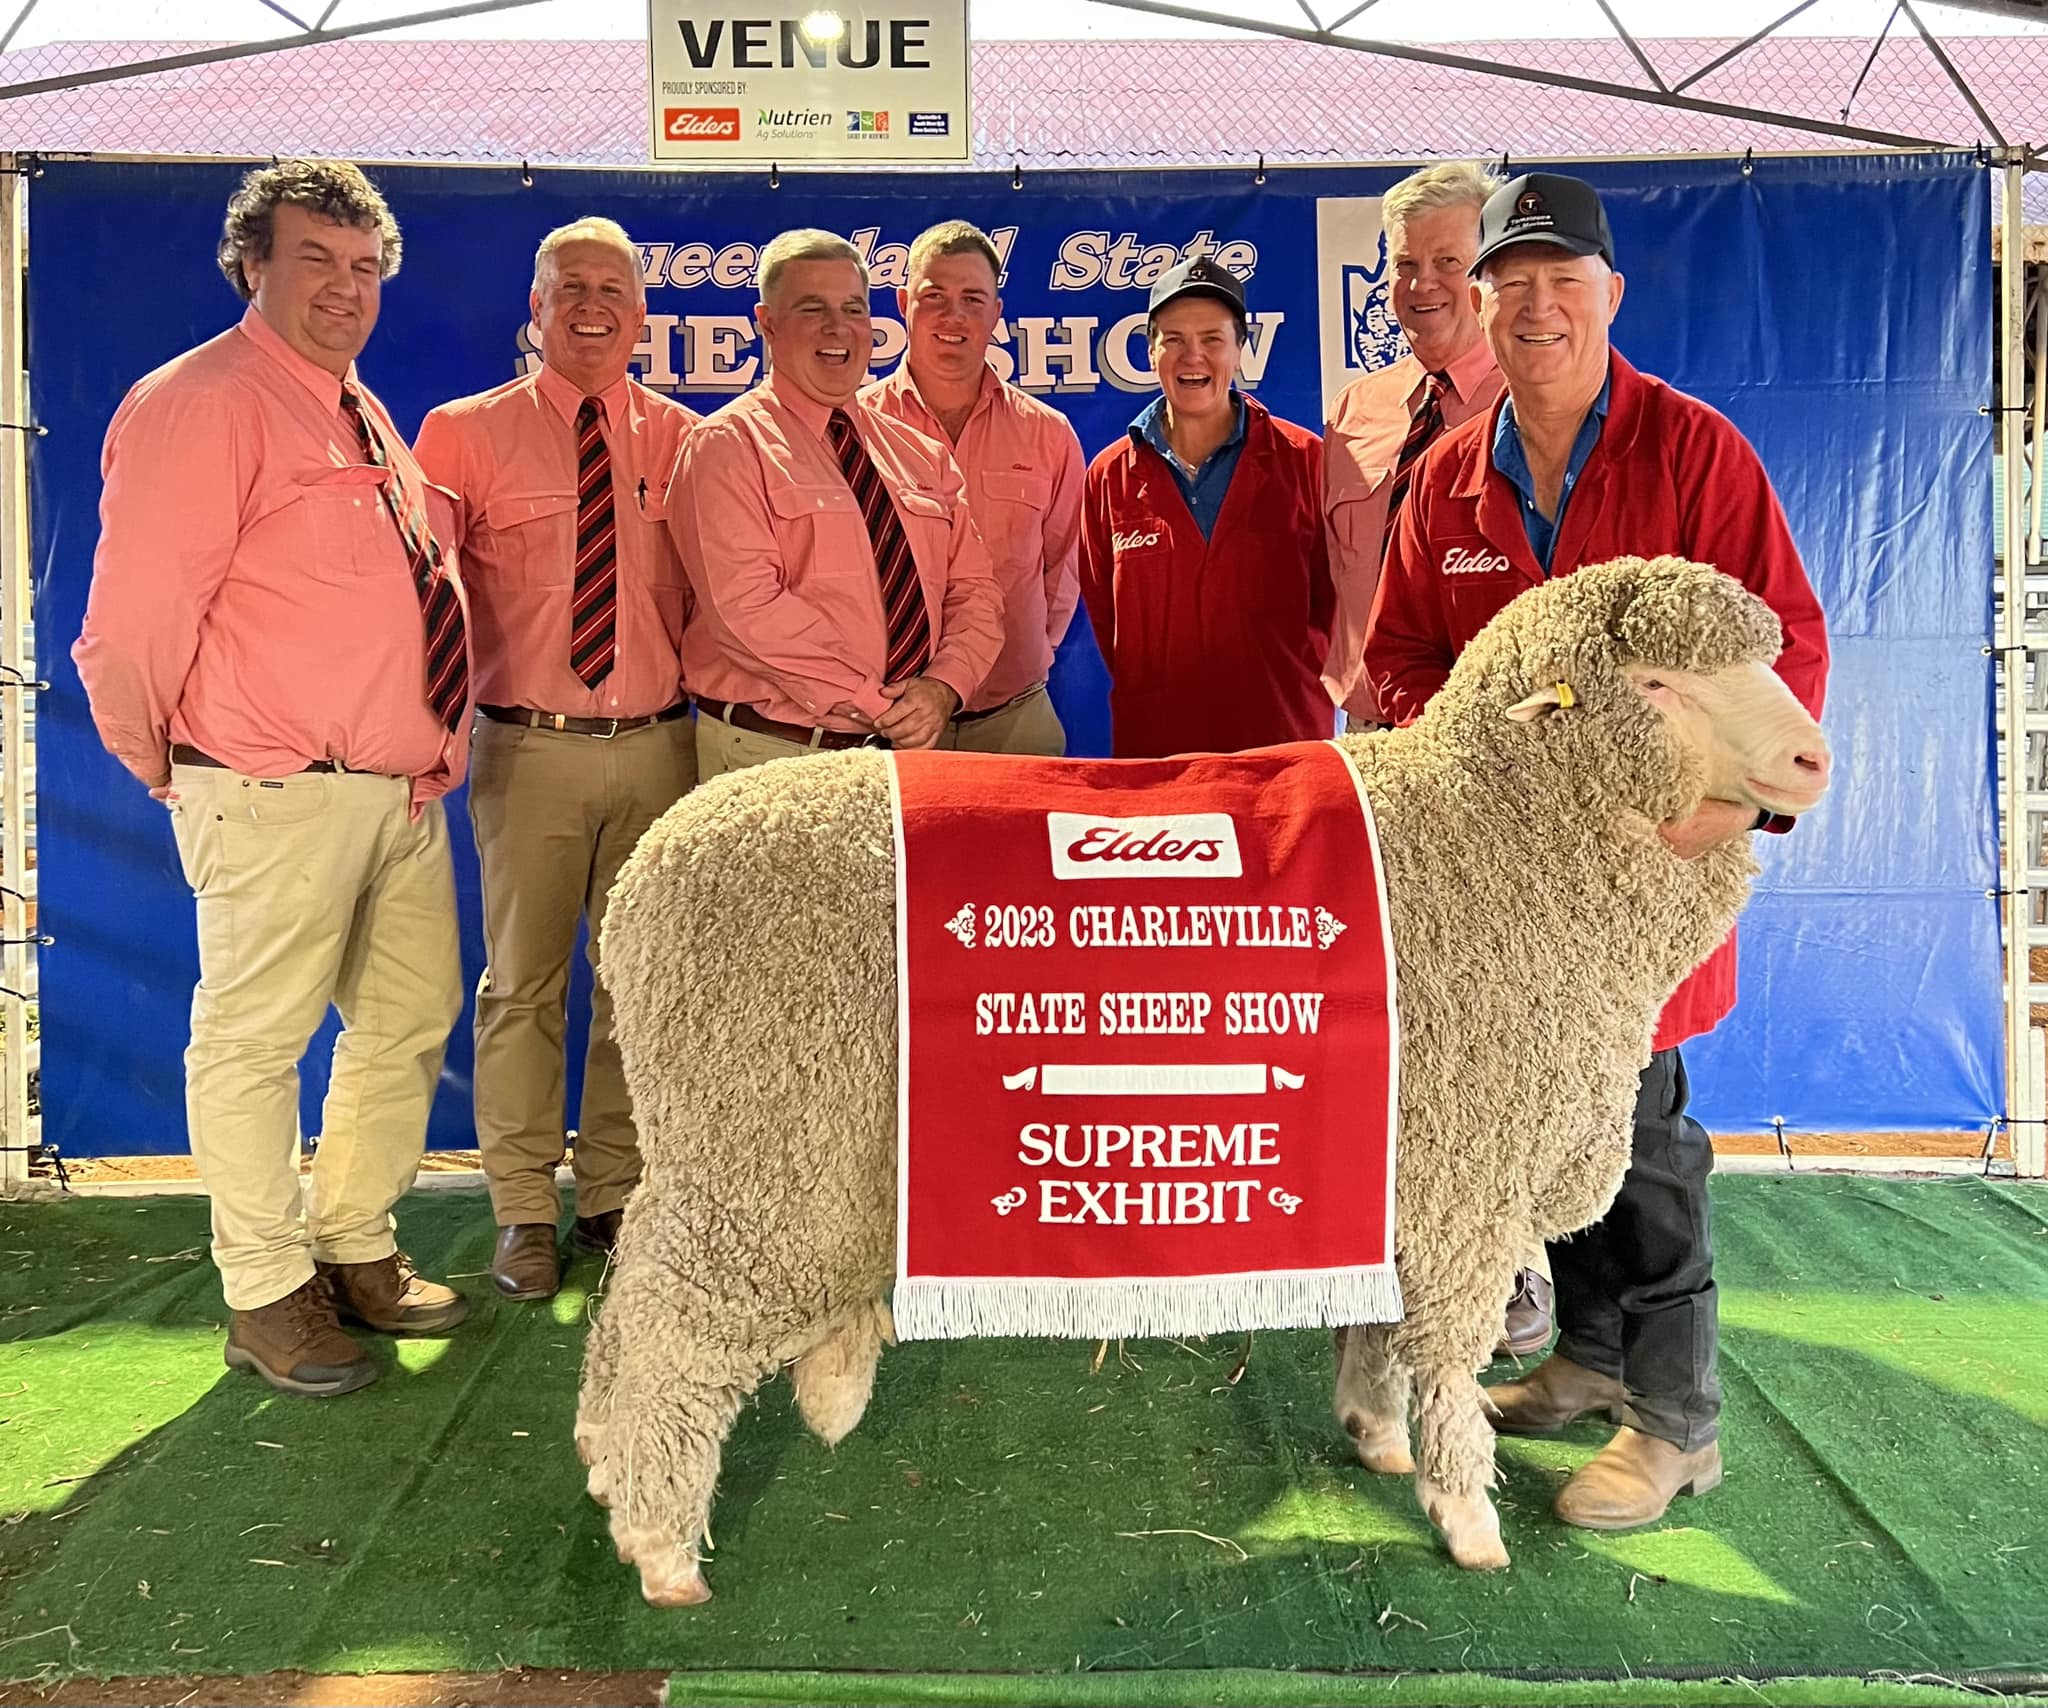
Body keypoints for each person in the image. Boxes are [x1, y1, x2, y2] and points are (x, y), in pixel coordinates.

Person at [1363, 172, 1830, 1528]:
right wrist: (1454, 765)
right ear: (1483, 308)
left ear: (1610, 297)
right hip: (1496, 896)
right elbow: (1401, 658)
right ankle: (1585, 1357)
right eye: (1513, 290)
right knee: (1534, 1119)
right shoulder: (1451, 474)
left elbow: (1781, 644)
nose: (1536, 311)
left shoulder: (1696, 454)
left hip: (1647, 876)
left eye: (1563, 285)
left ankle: (1680, 1423)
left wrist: (1723, 814)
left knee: (1645, 1121)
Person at [72, 159, 473, 1399]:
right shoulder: (206, 399)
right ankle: (262, 1290)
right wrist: (174, 762)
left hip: (395, 793)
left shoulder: (352, 408)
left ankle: (353, 1243)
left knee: (404, 1020)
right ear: (252, 264)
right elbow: (132, 623)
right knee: (252, 1044)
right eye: (316, 262)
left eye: (362, 269)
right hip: (272, 786)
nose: (345, 289)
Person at [413, 218, 700, 1302]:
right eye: (569, 286)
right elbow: (424, 608)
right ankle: (522, 1208)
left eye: (612, 290)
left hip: (661, 744)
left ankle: (613, 1195)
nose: (591, 305)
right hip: (526, 747)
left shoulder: (688, 439)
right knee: (522, 986)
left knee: (637, 986)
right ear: (535, 309)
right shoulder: (460, 434)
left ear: (639, 315)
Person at [1321, 163, 1546, 1361]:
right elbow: (1336, 580)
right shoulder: (1360, 406)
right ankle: (1390, 1240)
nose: (1421, 286)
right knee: (1392, 1005)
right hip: (1379, 750)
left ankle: (1510, 1262)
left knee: (1493, 1017)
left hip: (1503, 769)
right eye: (1402, 264)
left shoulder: (1536, 401)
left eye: (1445, 262)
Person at [670, 228, 1003, 776]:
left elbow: (976, 591)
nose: (837, 328)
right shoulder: (727, 446)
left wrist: (945, 686)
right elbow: (748, 611)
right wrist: (882, 704)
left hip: (905, 755)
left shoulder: (920, 454)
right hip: (775, 756)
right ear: (767, 323)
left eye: (853, 308)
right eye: (812, 308)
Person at [1078, 256, 1333, 759]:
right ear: (1150, 351)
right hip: (1157, 753)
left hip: (1284, 749)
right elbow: (1107, 622)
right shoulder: (1108, 477)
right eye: (1173, 339)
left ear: (1240, 350)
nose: (1192, 356)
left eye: (1212, 339)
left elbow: (1333, 605)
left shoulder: (1306, 459)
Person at [863, 220, 1084, 756]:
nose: (952, 316)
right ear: (902, 303)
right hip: (891, 724)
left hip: (1016, 722)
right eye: (933, 296)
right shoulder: (855, 427)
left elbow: (1063, 571)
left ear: (996, 313)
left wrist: (1025, 656)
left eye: (971, 298)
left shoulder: (1047, 433)